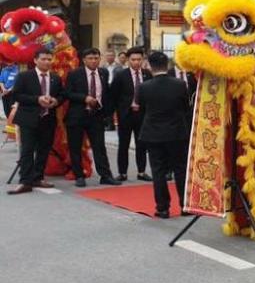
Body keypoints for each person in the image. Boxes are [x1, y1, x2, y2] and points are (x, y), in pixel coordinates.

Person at [137, 51, 191, 219]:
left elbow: (142, 108)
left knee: (158, 171)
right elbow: (185, 107)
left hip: (153, 133)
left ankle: (162, 208)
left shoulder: (144, 87)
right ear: (167, 65)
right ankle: (185, 205)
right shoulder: (180, 84)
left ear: (150, 66)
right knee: (180, 169)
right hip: (176, 132)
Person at [7, 49, 63, 195]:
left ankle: (38, 177)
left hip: (48, 119)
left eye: (49, 59)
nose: (47, 62)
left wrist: (56, 101)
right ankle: (25, 181)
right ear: (35, 60)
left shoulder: (55, 78)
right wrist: (37, 100)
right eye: (44, 59)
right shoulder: (25, 76)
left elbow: (62, 95)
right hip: (28, 119)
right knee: (27, 150)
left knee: (44, 150)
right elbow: (17, 95)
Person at [64, 48, 117, 187]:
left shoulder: (103, 73)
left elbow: (106, 94)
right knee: (75, 147)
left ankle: (105, 175)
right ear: (84, 60)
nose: (94, 61)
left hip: (96, 116)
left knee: (99, 147)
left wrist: (107, 112)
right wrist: (84, 98)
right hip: (77, 116)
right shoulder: (75, 74)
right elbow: (67, 93)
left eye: (96, 58)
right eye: (90, 58)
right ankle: (79, 175)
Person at [109, 46, 151, 181]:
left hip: (143, 115)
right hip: (126, 115)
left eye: (139, 59)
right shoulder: (121, 75)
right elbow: (114, 95)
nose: (136, 62)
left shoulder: (147, 74)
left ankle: (141, 171)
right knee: (123, 144)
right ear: (128, 60)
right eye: (133, 59)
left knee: (142, 144)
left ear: (142, 59)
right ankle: (122, 172)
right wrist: (117, 113)